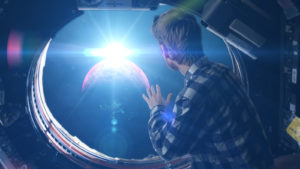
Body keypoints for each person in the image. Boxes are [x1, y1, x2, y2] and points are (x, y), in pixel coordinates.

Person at [142, 8, 274, 169]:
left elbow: (166, 149)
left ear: (165, 51)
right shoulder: (223, 70)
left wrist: (157, 109)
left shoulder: (193, 94)